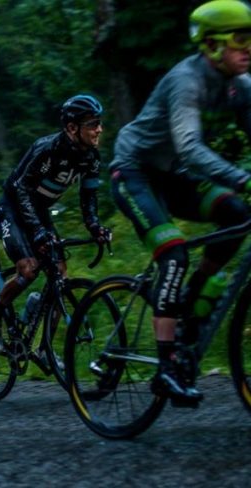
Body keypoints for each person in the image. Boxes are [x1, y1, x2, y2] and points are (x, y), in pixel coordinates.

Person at [109, 0, 251, 405]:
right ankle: (166, 368)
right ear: (211, 45)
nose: (249, 48)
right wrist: (243, 178)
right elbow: (189, 148)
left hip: (172, 176)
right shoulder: (185, 80)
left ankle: (190, 301)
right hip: (134, 171)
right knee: (173, 252)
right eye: (241, 39)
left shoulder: (241, 85)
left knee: (236, 214)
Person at [0, 95, 112, 361]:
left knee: (60, 276)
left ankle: (44, 348)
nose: (99, 129)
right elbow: (20, 190)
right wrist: (38, 231)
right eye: (93, 124)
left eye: (100, 123)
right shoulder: (47, 149)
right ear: (71, 128)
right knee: (29, 269)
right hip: (12, 208)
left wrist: (95, 226)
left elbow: (88, 198)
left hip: (38, 210)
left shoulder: (92, 157)